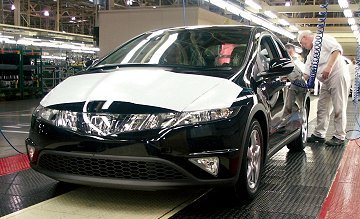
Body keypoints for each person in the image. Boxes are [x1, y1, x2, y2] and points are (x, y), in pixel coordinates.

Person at [298, 30, 351, 146]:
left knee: (339, 107)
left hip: (337, 75)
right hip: (326, 81)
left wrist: (329, 66)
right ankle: (319, 134)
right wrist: (294, 81)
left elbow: (337, 50)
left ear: (306, 37)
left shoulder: (322, 39)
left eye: (301, 42)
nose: (302, 45)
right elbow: (306, 74)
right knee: (322, 106)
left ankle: (339, 136)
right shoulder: (311, 54)